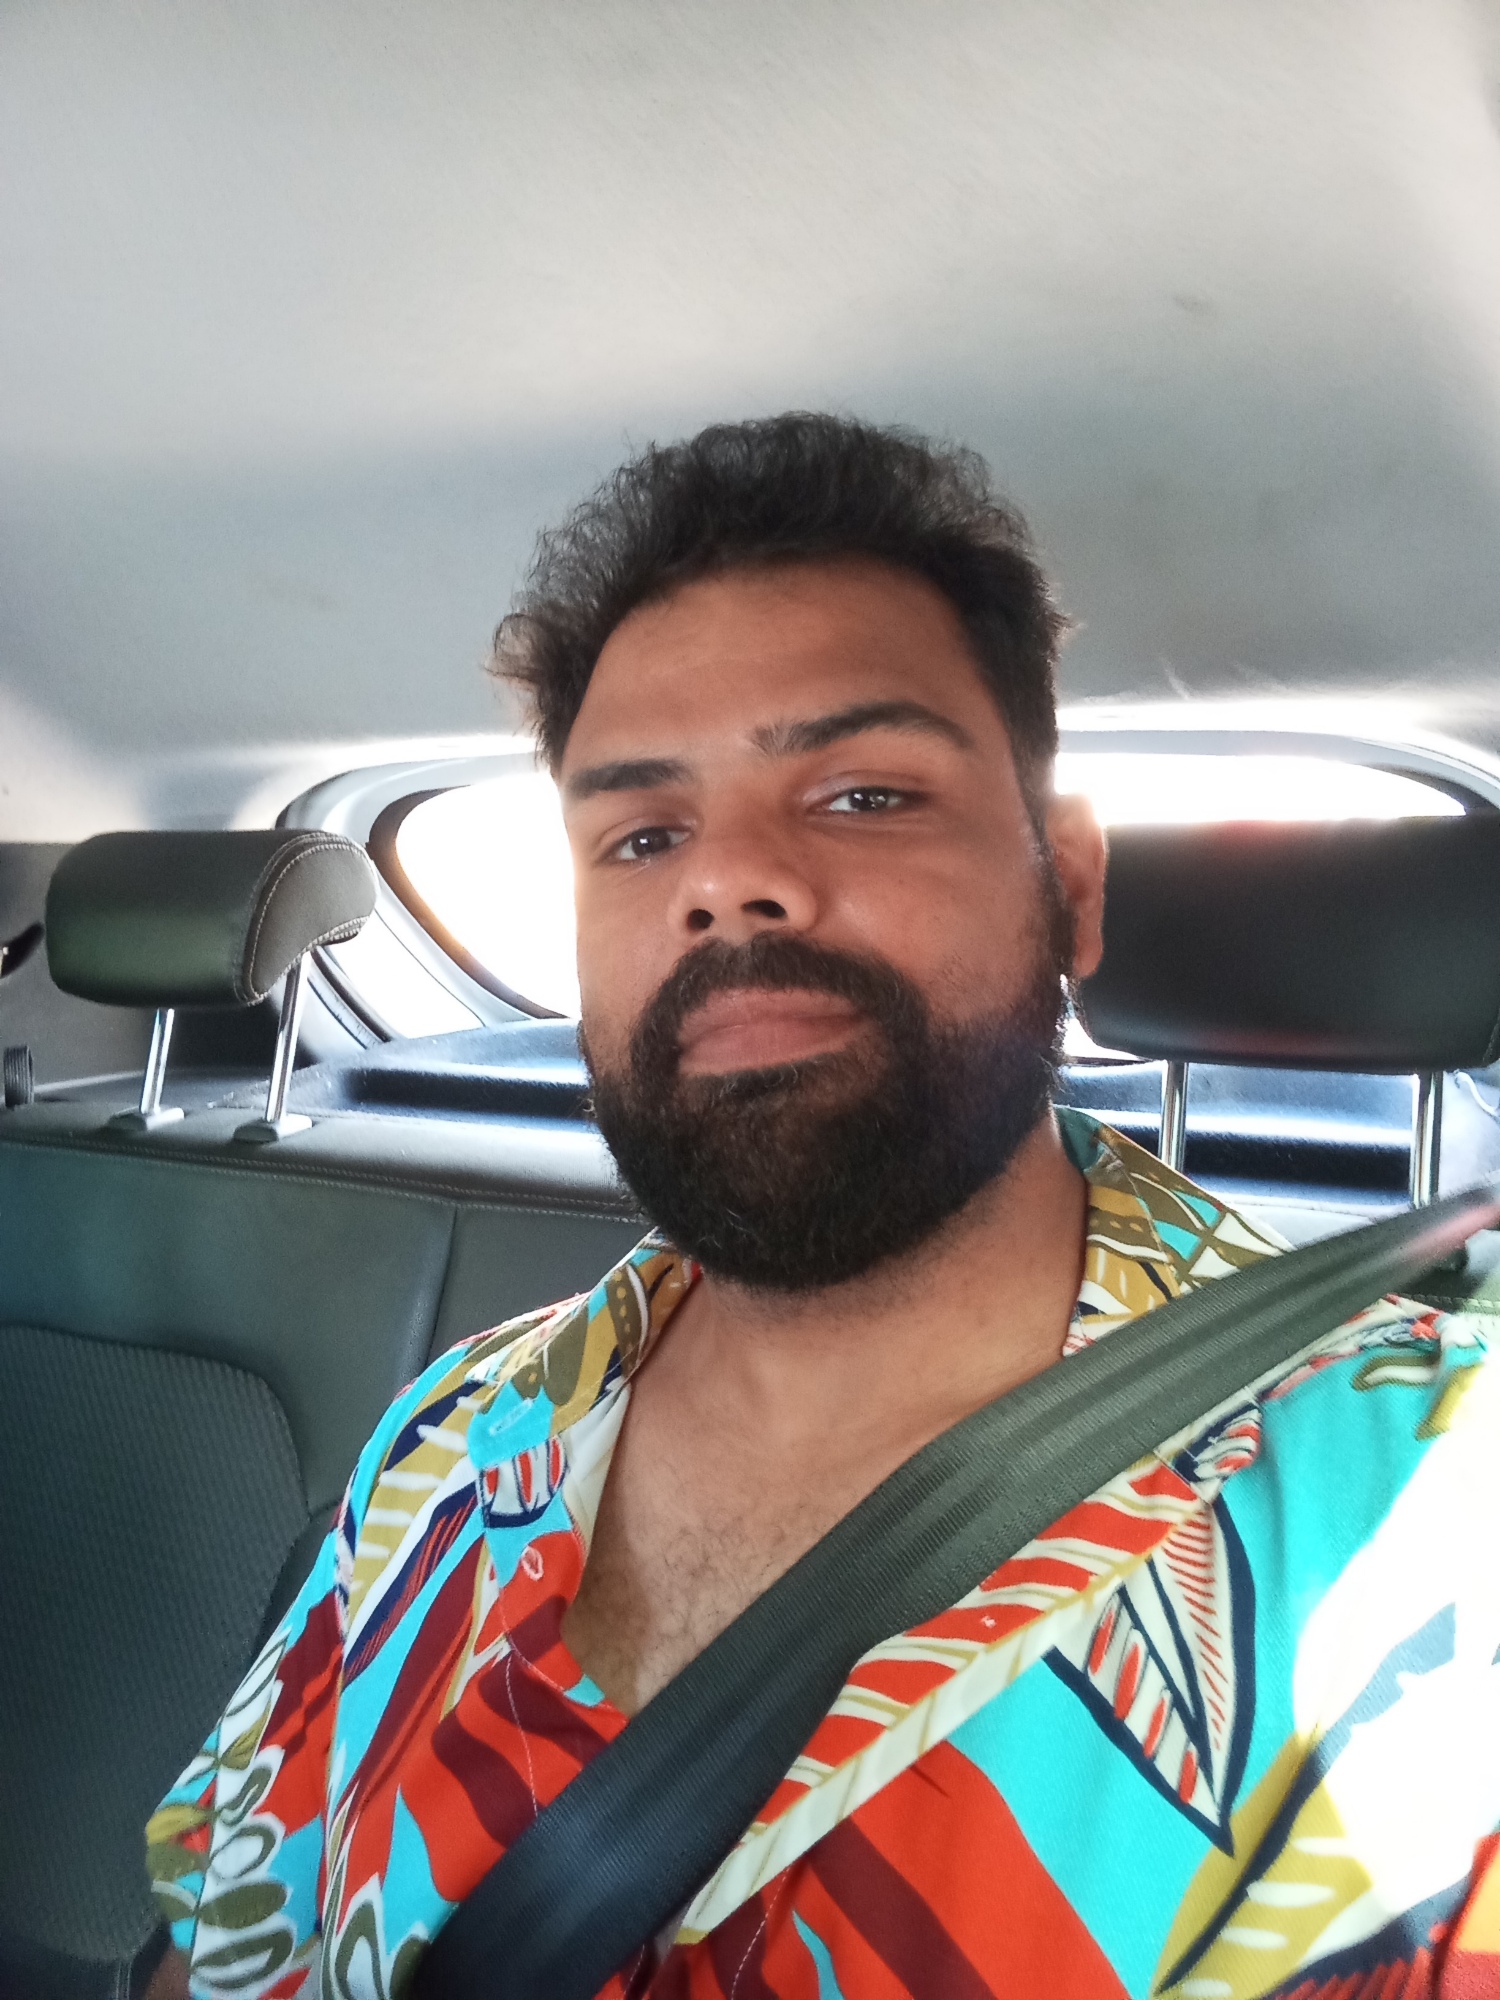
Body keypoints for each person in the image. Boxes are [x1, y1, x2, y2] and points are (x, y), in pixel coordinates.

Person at [145, 415, 1500, 1999]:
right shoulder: (446, 1438)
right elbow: (229, 1944)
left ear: (1068, 882)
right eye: (643, 835)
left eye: (862, 795)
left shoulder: (1439, 1511)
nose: (727, 882)